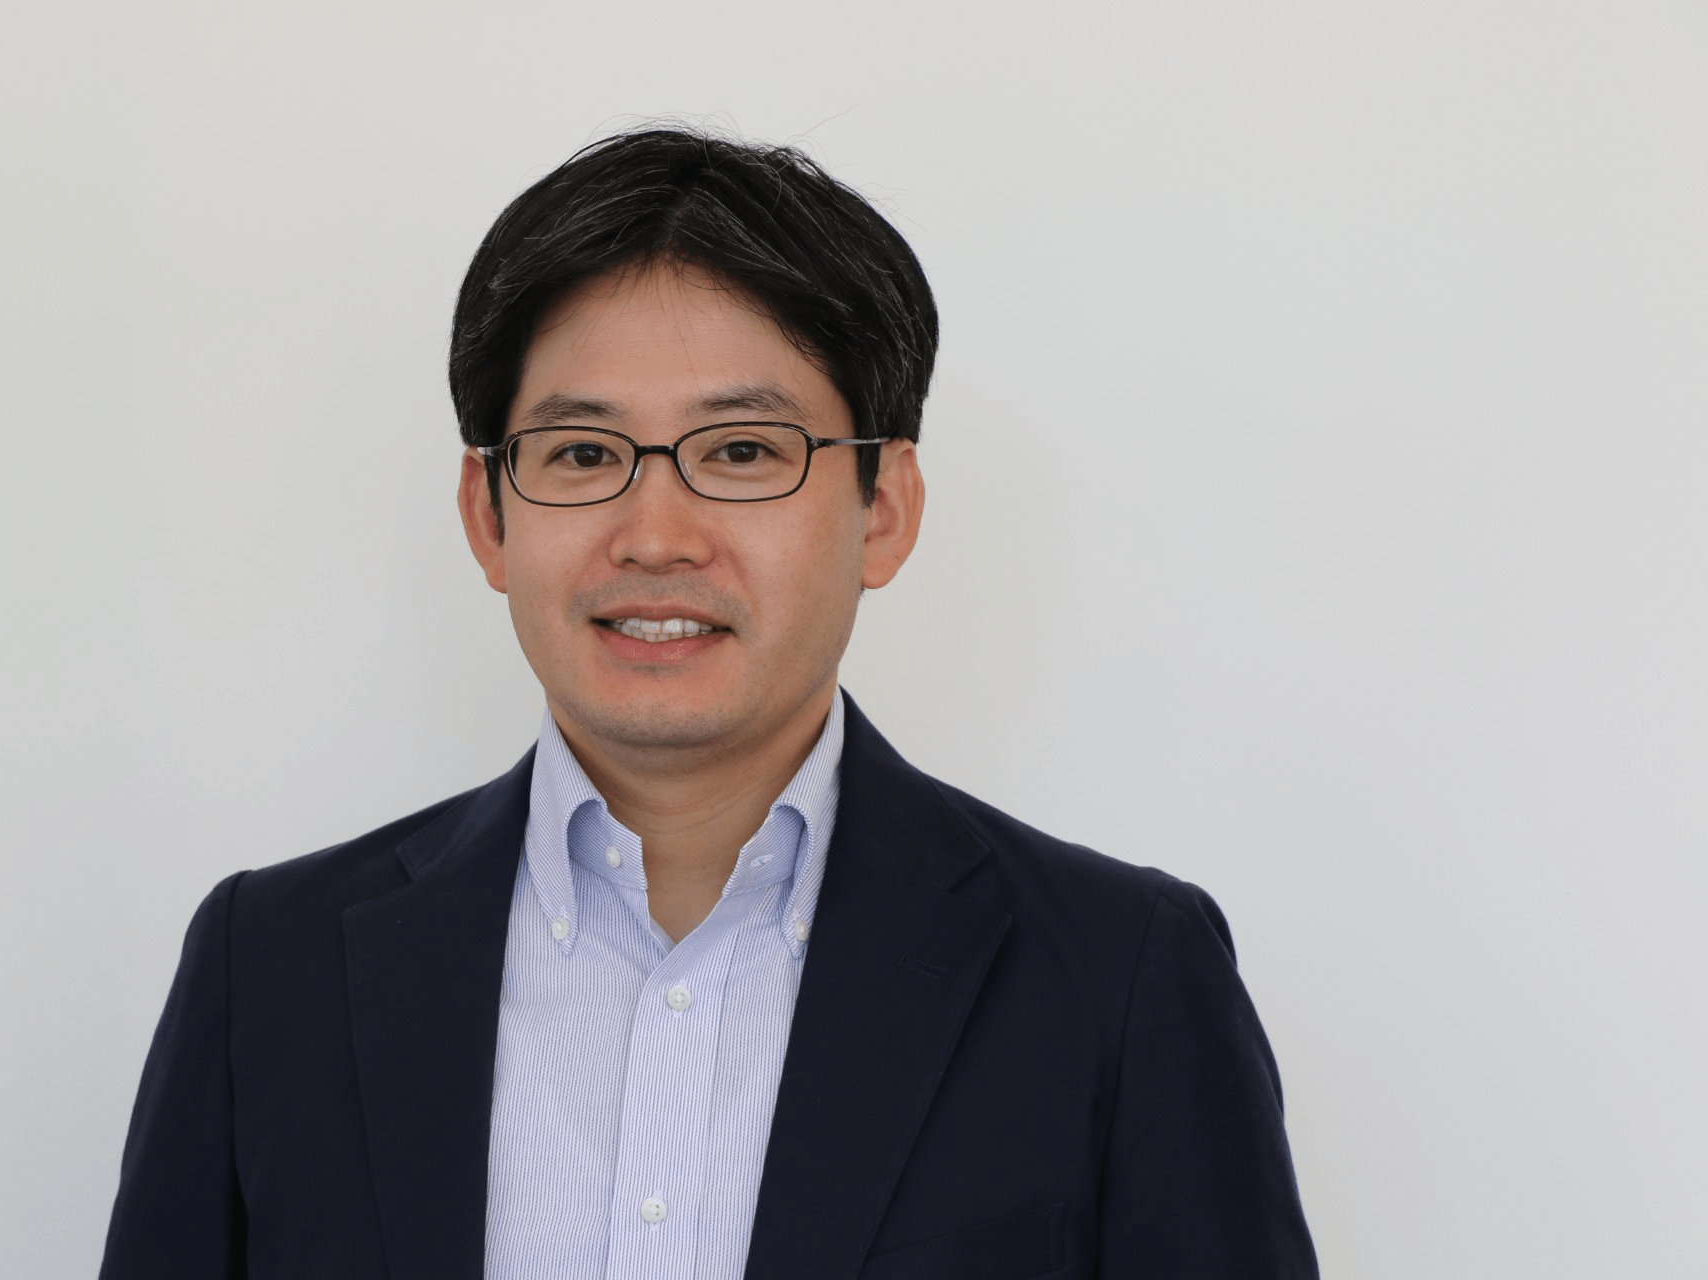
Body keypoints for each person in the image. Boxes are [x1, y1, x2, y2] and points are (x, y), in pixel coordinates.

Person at [100, 128, 1318, 1280]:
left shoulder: (1120, 976)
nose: (656, 534)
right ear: (489, 516)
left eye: (741, 451)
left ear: (884, 508)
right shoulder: (271, 968)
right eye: (583, 454)